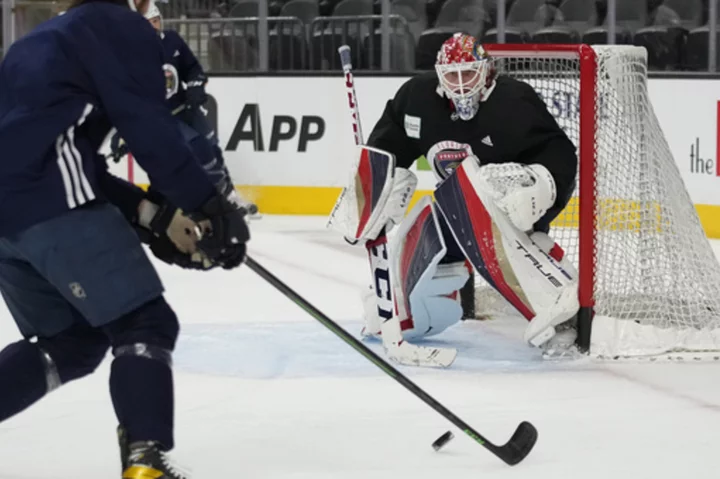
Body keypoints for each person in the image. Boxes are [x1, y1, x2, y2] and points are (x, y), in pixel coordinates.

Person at [0, 0, 249, 478]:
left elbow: (76, 159)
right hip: (48, 199)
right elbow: (146, 124)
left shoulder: (35, 43)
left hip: (8, 218)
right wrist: (208, 205)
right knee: (145, 323)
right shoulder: (113, 24)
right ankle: (145, 461)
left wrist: (150, 215)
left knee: (71, 341)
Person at [331, 33, 578, 353]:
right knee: (422, 256)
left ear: (486, 71)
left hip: (511, 211)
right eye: (452, 75)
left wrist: (542, 186)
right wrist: (368, 199)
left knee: (484, 187)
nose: (460, 83)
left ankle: (558, 304)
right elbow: (386, 149)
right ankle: (405, 308)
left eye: (468, 73)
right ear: (439, 74)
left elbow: (558, 153)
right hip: (454, 209)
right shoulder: (417, 100)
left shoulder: (513, 102)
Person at [112, 3, 260, 217]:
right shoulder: (133, 53)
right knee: (199, 149)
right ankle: (218, 201)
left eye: (156, 21)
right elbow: (127, 92)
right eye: (148, 23)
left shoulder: (172, 40)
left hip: (186, 109)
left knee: (212, 146)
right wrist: (123, 127)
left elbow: (193, 69)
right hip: (164, 118)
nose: (154, 26)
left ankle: (229, 196)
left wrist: (195, 86)